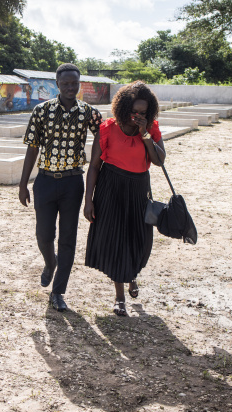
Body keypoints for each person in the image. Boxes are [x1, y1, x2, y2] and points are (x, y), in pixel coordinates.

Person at [19, 63, 102, 312]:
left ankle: (58, 292)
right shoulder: (41, 111)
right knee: (44, 236)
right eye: (65, 83)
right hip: (44, 181)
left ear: (79, 85)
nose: (69, 87)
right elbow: (32, 147)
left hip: (72, 183)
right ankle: (49, 263)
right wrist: (23, 184)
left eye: (74, 84)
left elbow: (106, 134)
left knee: (68, 239)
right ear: (57, 84)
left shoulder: (89, 112)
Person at [84, 81, 166, 316]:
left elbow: (159, 161)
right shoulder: (107, 129)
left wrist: (145, 134)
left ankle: (132, 276)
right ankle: (120, 297)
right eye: (133, 112)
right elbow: (94, 167)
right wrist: (88, 200)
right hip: (111, 187)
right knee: (115, 240)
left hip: (139, 188)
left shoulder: (151, 129)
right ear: (122, 108)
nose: (137, 116)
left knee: (137, 240)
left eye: (142, 113)